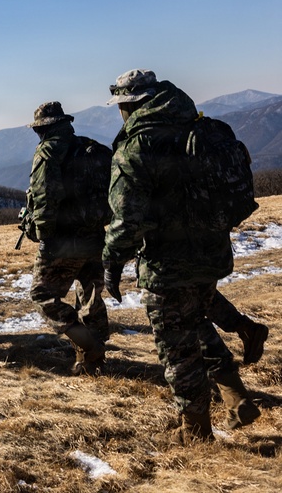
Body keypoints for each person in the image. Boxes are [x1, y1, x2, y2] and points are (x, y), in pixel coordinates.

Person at [103, 69, 260, 443]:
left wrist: (111, 260)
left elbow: (127, 220)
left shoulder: (138, 146)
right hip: (211, 254)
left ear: (131, 104)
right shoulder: (202, 129)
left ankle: (195, 432)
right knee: (193, 324)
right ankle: (237, 399)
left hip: (166, 265)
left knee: (178, 350)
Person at [22, 102, 110, 375]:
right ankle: (91, 362)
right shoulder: (91, 147)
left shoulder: (48, 152)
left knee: (42, 294)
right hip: (95, 236)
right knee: (90, 296)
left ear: (43, 128)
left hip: (62, 239)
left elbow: (44, 196)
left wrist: (41, 235)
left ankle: (89, 345)